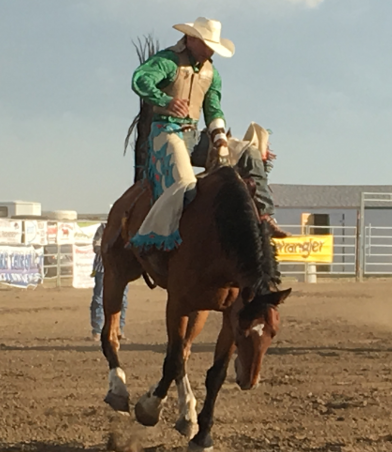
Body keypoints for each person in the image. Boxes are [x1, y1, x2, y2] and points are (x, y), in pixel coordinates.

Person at [129, 17, 236, 251]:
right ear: (190, 40)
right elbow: (141, 79)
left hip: (195, 136)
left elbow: (213, 107)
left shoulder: (211, 73)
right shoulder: (168, 61)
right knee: (186, 183)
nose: (210, 51)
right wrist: (165, 100)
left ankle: (262, 219)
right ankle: (162, 237)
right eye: (207, 45)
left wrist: (220, 137)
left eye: (212, 46)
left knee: (247, 155)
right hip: (165, 132)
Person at [193, 122, 289, 237]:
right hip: (172, 130)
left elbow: (213, 110)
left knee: (251, 153)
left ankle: (264, 216)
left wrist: (219, 135)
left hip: (196, 134)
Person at [90, 223, 128, 340]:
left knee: (123, 300)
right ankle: (97, 329)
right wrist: (112, 252)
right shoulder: (104, 228)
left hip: (122, 270)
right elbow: (96, 246)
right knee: (99, 298)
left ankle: (119, 328)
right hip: (103, 268)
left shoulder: (127, 227)